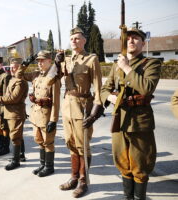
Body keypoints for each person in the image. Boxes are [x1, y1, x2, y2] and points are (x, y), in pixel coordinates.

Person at [101, 28, 162, 200]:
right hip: (120, 119)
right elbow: (105, 88)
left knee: (140, 163)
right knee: (122, 162)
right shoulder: (116, 65)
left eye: (136, 39)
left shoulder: (151, 63)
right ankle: (128, 197)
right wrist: (109, 98)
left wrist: (127, 67)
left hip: (139, 122)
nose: (131, 41)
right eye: (128, 39)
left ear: (143, 43)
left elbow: (147, 88)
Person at [55, 27, 104, 198]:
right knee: (70, 143)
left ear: (84, 41)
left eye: (77, 38)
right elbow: (53, 79)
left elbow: (98, 87)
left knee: (82, 145)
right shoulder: (66, 60)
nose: (74, 41)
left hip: (82, 106)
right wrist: (56, 62)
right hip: (67, 106)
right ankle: (74, 177)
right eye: (72, 38)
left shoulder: (91, 59)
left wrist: (96, 112)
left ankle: (84, 181)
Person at [17, 50, 61, 177]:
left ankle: (49, 166)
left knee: (48, 142)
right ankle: (42, 164)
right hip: (36, 115)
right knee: (39, 140)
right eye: (38, 60)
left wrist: (53, 119)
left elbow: (56, 102)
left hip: (47, 115)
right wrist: (25, 64)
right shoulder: (36, 75)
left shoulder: (53, 78)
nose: (40, 63)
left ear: (49, 61)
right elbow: (19, 75)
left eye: (42, 60)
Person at [0, 57, 28, 170]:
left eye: (15, 67)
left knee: (15, 136)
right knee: (16, 134)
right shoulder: (12, 79)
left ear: (20, 68)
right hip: (10, 111)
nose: (12, 69)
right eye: (11, 67)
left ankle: (16, 161)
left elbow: (13, 98)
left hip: (16, 112)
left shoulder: (20, 81)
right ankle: (20, 155)